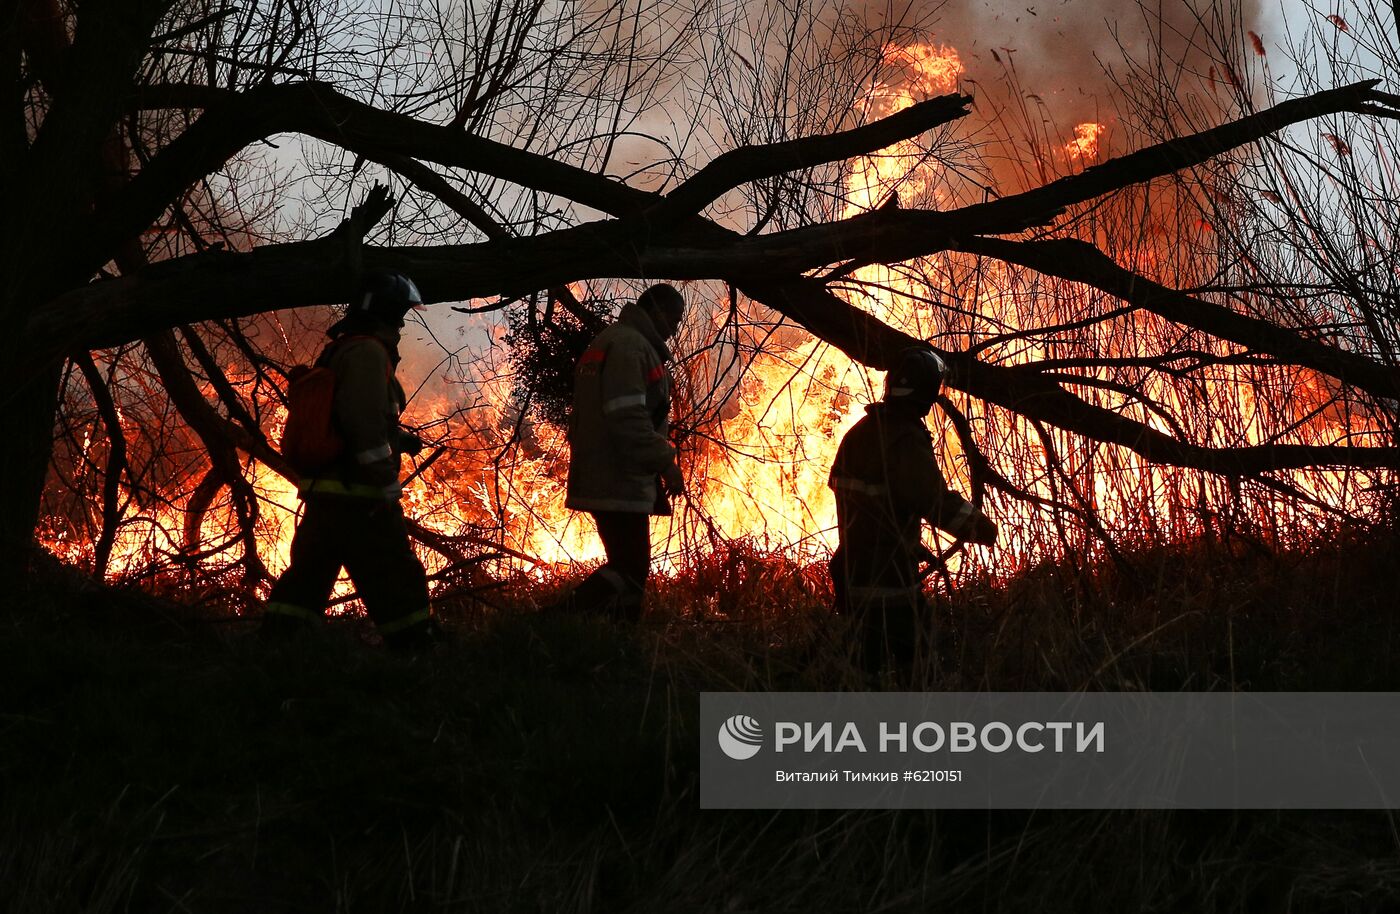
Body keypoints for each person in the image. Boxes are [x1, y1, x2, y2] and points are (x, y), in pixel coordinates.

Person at [262, 271, 443, 651]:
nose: (403, 324)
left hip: (327, 494)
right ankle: (417, 647)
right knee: (395, 570)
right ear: (388, 313)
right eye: (401, 314)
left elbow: (349, 417)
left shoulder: (344, 348)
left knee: (307, 577)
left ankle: (275, 645)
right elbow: (361, 422)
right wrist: (384, 484)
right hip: (357, 493)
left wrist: (400, 439)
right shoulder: (368, 353)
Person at [828, 346, 998, 673]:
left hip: (852, 570)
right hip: (887, 577)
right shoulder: (903, 439)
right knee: (918, 664)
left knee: (867, 665)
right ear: (925, 393)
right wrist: (978, 526)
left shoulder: (860, 433)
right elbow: (932, 499)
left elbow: (873, 506)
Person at [552, 283, 687, 622]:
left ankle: (622, 636)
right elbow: (628, 417)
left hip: (608, 470)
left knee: (631, 569)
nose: (675, 328)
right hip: (618, 475)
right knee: (630, 568)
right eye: (674, 318)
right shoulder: (631, 347)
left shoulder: (616, 340)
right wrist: (665, 462)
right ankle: (556, 620)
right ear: (656, 311)